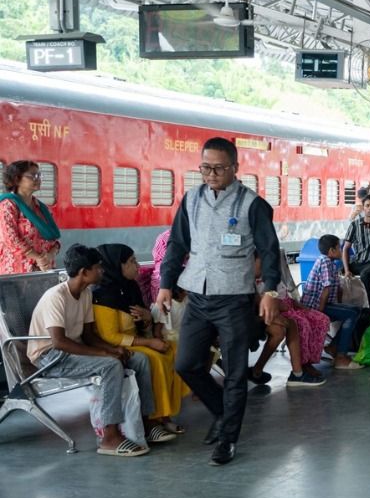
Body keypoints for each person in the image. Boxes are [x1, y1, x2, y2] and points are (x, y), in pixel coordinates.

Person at [156, 136, 282, 466]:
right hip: (197, 295)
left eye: (218, 168)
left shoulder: (252, 204)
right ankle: (224, 415)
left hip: (234, 300)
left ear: (235, 168)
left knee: (235, 373)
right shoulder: (192, 199)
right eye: (205, 167)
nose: (210, 174)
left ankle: (227, 440)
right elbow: (176, 244)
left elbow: (270, 251)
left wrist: (270, 292)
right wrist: (166, 284)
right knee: (186, 364)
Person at [29, 244, 161, 457]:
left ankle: (145, 423)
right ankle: (109, 437)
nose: (102, 271)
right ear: (84, 272)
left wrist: (114, 348)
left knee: (139, 359)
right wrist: (105, 354)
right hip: (50, 357)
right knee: (110, 366)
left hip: (74, 349)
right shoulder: (57, 297)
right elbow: (59, 341)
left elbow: (89, 336)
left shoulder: (85, 294)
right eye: (98, 267)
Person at [91, 243, 187, 440]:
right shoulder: (103, 295)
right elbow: (110, 336)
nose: (138, 266)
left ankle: (165, 414)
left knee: (175, 351)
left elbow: (143, 325)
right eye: (132, 262)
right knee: (154, 359)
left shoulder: (130, 287)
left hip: (137, 339)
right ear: (118, 265)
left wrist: (146, 318)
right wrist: (149, 342)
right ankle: (151, 420)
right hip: (116, 346)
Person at [249, 256, 327, 387]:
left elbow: (275, 296)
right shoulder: (244, 281)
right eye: (261, 264)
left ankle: (299, 370)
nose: (265, 268)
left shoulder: (268, 278)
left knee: (287, 327)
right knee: (291, 324)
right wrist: (273, 314)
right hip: (252, 316)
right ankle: (298, 371)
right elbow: (253, 305)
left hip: (267, 312)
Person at [302, 234, 363, 370]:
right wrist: (320, 315)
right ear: (331, 251)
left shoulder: (329, 262)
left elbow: (337, 289)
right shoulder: (325, 262)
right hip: (315, 307)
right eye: (339, 248)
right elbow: (326, 290)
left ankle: (334, 346)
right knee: (352, 314)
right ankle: (341, 357)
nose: (341, 251)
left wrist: (342, 306)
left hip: (323, 304)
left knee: (354, 310)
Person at [0, 160, 61, 274]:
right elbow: (11, 240)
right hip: (17, 272)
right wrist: (37, 258)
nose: (38, 179)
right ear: (16, 179)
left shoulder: (42, 208)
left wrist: (49, 256)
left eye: (39, 175)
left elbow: (55, 239)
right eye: (33, 175)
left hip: (44, 270)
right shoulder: (8, 205)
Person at [342, 194, 370, 306]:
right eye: (367, 205)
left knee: (366, 274)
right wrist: (346, 270)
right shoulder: (355, 225)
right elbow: (346, 248)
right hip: (358, 261)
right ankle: (346, 304)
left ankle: (368, 305)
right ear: (363, 208)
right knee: (338, 271)